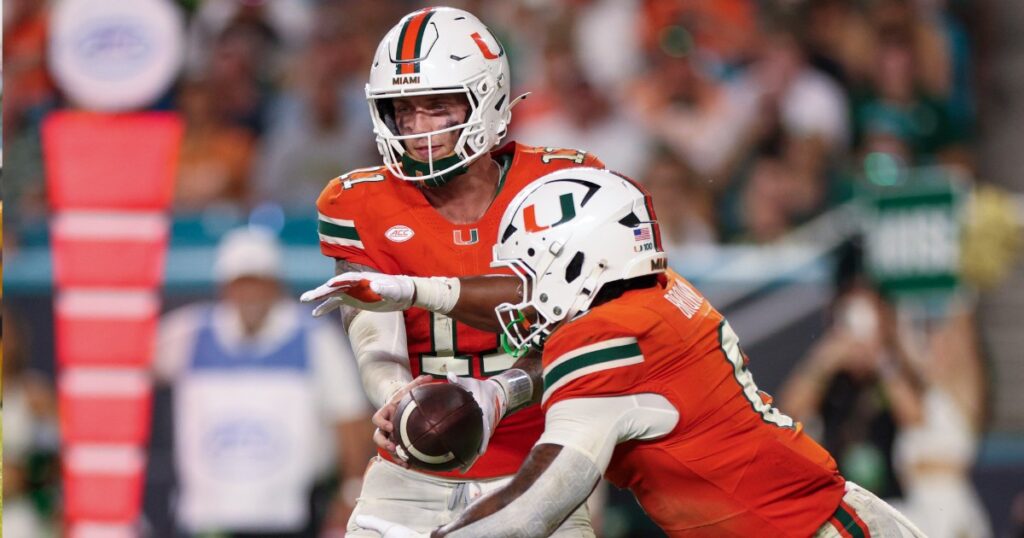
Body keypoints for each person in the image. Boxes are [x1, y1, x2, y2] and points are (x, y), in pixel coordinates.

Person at [331, 167, 927, 537]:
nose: (525, 290)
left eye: (533, 267)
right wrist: (501, 390)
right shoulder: (659, 294)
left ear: (581, 257)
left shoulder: (605, 337)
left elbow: (533, 509)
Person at [301, 6, 603, 537]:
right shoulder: (357, 203)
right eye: (403, 111)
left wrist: (494, 395)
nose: (418, 129)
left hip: (537, 466)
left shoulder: (562, 187)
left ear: (486, 97)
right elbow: (375, 337)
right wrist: (401, 402)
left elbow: (574, 343)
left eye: (437, 107)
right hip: (410, 474)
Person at [154, 227, 373, 536]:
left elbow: (349, 418)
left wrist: (352, 489)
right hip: (207, 515)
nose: (250, 294)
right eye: (241, 284)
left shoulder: (313, 338)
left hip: (290, 513)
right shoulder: (188, 333)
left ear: (276, 285)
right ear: (225, 288)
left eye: (259, 283)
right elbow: (126, 371)